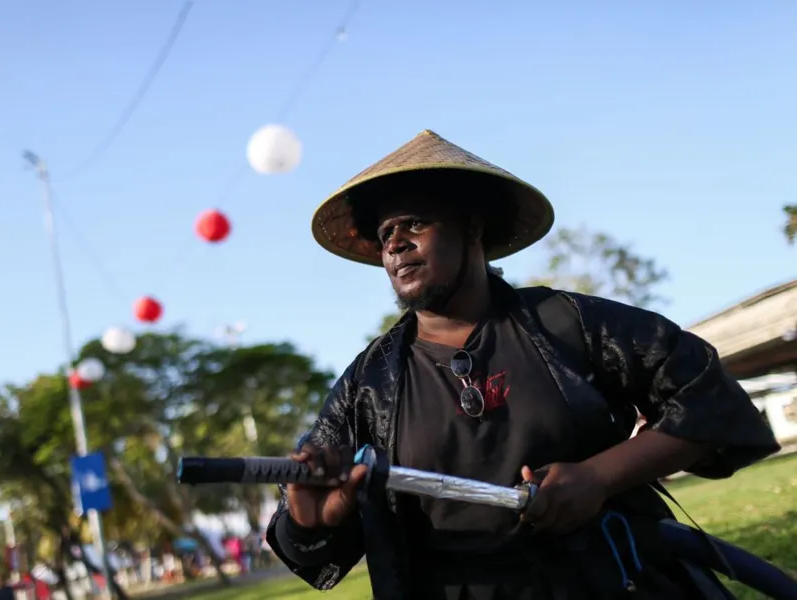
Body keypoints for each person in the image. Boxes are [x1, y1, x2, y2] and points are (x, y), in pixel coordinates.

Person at [265, 130, 781, 600]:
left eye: (414, 224)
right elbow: (308, 540)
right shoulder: (368, 385)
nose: (396, 244)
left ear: (473, 227)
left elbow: (711, 402)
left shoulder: (567, 324)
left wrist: (598, 478)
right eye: (385, 236)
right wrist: (313, 515)